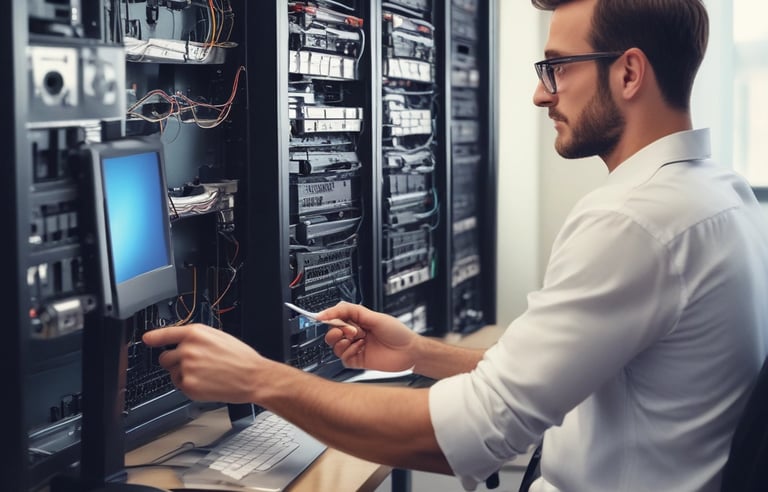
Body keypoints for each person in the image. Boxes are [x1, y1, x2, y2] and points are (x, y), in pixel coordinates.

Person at [142, 0, 768, 490]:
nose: (540, 93)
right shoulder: (721, 195)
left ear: (628, 71)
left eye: (557, 68)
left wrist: (259, 380)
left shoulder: (635, 222)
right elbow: (551, 377)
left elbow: (467, 435)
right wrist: (418, 353)